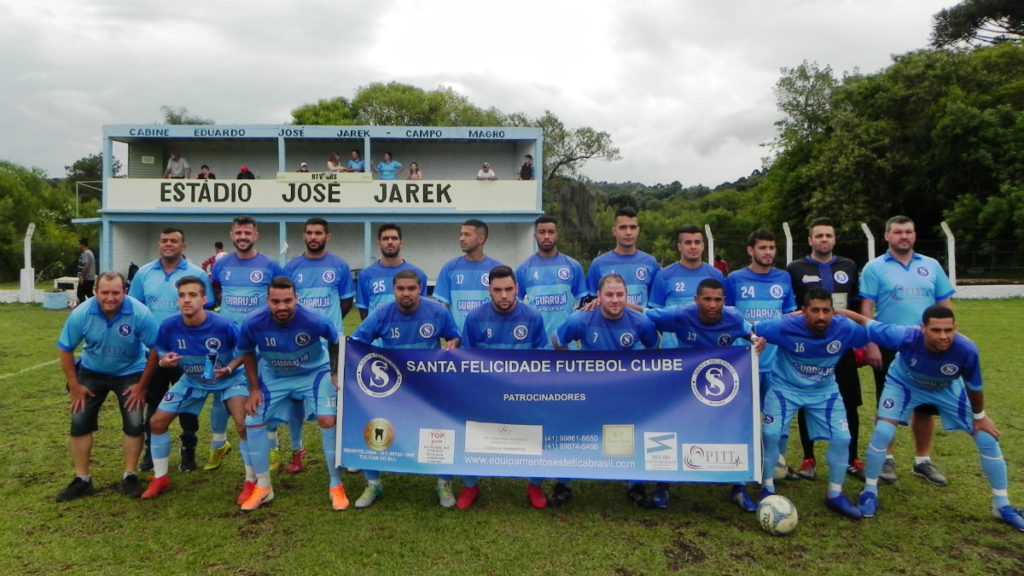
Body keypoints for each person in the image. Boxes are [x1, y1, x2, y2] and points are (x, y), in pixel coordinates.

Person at [840, 306, 1024, 531]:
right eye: (936, 330)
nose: (943, 336)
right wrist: (832, 311)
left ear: (955, 328)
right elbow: (863, 321)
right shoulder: (904, 336)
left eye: (948, 330)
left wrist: (980, 417)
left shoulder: (966, 349)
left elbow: (974, 386)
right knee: (882, 432)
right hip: (903, 384)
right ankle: (869, 492)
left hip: (945, 388)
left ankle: (1002, 505)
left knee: (987, 437)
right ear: (923, 329)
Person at [645, 278, 762, 511]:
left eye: (718, 300)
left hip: (720, 386)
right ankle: (663, 484)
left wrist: (755, 340)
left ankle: (739, 486)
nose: (712, 305)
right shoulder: (680, 314)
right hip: (683, 385)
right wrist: (609, 304)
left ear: (724, 300)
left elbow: (748, 332)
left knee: (736, 427)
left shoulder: (733, 317)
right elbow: (646, 316)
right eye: (707, 299)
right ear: (696, 299)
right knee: (671, 428)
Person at [752, 288, 869, 519]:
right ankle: (767, 488)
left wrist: (845, 313)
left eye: (826, 311)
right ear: (804, 311)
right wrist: (756, 339)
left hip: (824, 391)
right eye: (815, 310)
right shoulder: (784, 325)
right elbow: (750, 328)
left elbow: (870, 329)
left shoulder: (844, 327)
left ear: (833, 312)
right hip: (785, 387)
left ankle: (835, 494)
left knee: (843, 438)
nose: (821, 316)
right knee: (770, 434)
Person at [350, 269, 460, 508]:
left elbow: (453, 337)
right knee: (374, 425)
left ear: (421, 289)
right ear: (394, 290)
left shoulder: (438, 312)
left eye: (411, 288)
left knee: (442, 430)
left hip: (430, 385)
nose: (406, 293)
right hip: (393, 386)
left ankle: (444, 483)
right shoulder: (382, 314)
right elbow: (357, 342)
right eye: (401, 289)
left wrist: (452, 344)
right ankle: (373, 484)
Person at [860, 215, 955, 486]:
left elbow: (945, 305)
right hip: (890, 345)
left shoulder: (931, 265)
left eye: (908, 231)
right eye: (898, 232)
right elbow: (866, 309)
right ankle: (886, 458)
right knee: (887, 403)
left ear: (914, 235)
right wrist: (871, 343)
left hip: (927, 346)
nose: (904, 236)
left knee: (925, 405)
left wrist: (948, 338)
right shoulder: (874, 267)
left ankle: (922, 461)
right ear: (887, 236)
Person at [237, 276, 342, 511]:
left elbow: (335, 341)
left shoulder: (315, 319)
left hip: (314, 372)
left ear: (296, 298)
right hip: (276, 375)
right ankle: (263, 486)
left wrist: (335, 372)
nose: (282, 306)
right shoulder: (252, 322)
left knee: (328, 419)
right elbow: (247, 352)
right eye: (275, 301)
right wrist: (254, 388)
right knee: (252, 420)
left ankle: (336, 484)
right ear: (267, 300)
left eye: (287, 300)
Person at [554, 273, 659, 507]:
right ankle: (563, 483)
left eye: (620, 294)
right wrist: (573, 366)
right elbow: (558, 341)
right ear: (598, 296)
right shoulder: (580, 319)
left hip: (625, 390)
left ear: (627, 296)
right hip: (587, 388)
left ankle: (635, 484)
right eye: (609, 294)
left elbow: (653, 348)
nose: (615, 300)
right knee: (572, 431)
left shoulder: (641, 322)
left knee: (632, 431)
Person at [139, 276, 249, 499]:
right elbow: (160, 349)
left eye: (192, 295)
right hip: (191, 380)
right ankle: (161, 478)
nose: (186, 300)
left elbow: (246, 351)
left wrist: (228, 369)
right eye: (182, 295)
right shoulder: (169, 325)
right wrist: (164, 360)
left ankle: (252, 481)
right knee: (156, 422)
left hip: (229, 380)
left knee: (244, 425)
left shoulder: (224, 325)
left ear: (204, 300)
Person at [55, 272, 158, 502]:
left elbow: (156, 349)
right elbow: (65, 349)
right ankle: (82, 479)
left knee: (134, 423)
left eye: (115, 292)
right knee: (79, 422)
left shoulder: (140, 313)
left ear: (125, 292)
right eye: (105, 292)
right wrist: (75, 385)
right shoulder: (81, 313)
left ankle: (130, 475)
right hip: (92, 372)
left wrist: (142, 386)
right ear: (95, 292)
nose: (110, 298)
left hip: (130, 372)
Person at [127, 228, 217, 473]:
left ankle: (188, 449)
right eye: (165, 240)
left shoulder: (197, 274)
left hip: (188, 353)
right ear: (159, 244)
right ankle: (151, 450)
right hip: (153, 352)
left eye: (174, 241)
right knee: (153, 401)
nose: (169, 244)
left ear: (183, 246)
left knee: (189, 401)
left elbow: (207, 310)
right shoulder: (144, 273)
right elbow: (135, 309)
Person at [458, 265, 547, 509]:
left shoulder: (533, 317)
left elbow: (543, 359)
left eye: (509, 289)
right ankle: (470, 485)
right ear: (489, 290)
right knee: (469, 430)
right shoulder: (474, 318)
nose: (504, 295)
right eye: (498, 290)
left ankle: (534, 485)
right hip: (486, 391)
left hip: (524, 392)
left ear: (517, 288)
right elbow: (466, 359)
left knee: (537, 430)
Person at [786, 218, 865, 482]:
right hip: (808, 347)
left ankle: (852, 458)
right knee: (806, 399)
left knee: (850, 401)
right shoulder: (795, 269)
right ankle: (808, 459)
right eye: (818, 236)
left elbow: (857, 304)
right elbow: (791, 308)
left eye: (828, 235)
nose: (824, 239)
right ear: (810, 240)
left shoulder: (849, 266)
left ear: (834, 239)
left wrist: (862, 342)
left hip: (842, 345)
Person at [210, 216, 287, 467]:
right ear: (231, 235)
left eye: (247, 233)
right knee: (221, 389)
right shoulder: (221, 265)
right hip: (228, 342)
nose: (243, 237)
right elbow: (217, 290)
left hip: (260, 341)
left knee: (265, 391)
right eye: (239, 232)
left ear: (256, 236)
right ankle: (219, 443)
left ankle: (272, 446)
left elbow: (279, 298)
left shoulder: (271, 266)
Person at [724, 228, 797, 480]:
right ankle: (742, 468)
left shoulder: (784, 278)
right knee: (743, 417)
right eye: (762, 247)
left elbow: (789, 318)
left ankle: (777, 464)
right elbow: (729, 319)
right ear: (750, 250)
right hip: (745, 361)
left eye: (771, 248)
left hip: (776, 362)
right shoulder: (734, 279)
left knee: (779, 416)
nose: (768, 252)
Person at [283, 217, 355, 474]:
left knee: (338, 398)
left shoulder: (340, 266)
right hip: (300, 344)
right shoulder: (291, 267)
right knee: (295, 399)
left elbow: (346, 302)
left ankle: (344, 453)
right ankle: (297, 449)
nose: (313, 237)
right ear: (304, 236)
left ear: (328, 236)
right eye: (309, 233)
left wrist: (327, 326)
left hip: (332, 345)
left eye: (318, 233)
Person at [515, 215, 587, 350]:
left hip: (567, 346)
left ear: (557, 235)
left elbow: (582, 307)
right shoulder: (523, 269)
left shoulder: (573, 266)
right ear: (535, 236)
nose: (546, 236)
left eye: (551, 232)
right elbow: (516, 307)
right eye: (542, 232)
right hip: (537, 347)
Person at [648, 225, 724, 348]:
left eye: (697, 242)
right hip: (674, 352)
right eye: (688, 242)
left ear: (703, 246)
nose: (693, 246)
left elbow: (723, 314)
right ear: (679, 246)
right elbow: (654, 316)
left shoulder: (716, 275)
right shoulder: (663, 275)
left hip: (708, 349)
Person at [434, 219, 504, 332]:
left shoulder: (497, 268)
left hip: (490, 337)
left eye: (467, 234)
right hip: (460, 339)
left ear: (481, 239)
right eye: (461, 234)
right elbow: (443, 307)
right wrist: (451, 333)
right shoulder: (449, 268)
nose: (461, 238)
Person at [584, 208, 659, 313]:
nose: (628, 232)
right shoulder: (598, 264)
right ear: (614, 231)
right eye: (623, 227)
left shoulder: (650, 263)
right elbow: (592, 302)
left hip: (640, 322)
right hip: (608, 323)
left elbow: (655, 305)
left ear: (638, 230)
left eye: (632, 227)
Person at [355, 223, 428, 321]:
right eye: (385, 238)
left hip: (408, 330)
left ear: (401, 243)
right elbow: (363, 310)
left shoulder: (418, 274)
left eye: (394, 238)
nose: (390, 242)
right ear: (378, 244)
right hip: (379, 330)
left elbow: (422, 308)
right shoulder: (366, 275)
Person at [76, 238, 97, 307]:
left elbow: (86, 265)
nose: (78, 246)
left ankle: (84, 308)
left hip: (86, 278)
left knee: (80, 294)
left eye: (79, 244)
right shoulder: (90, 252)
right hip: (91, 278)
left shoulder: (85, 253)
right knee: (89, 293)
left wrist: (82, 277)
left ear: (82, 245)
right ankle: (95, 306)